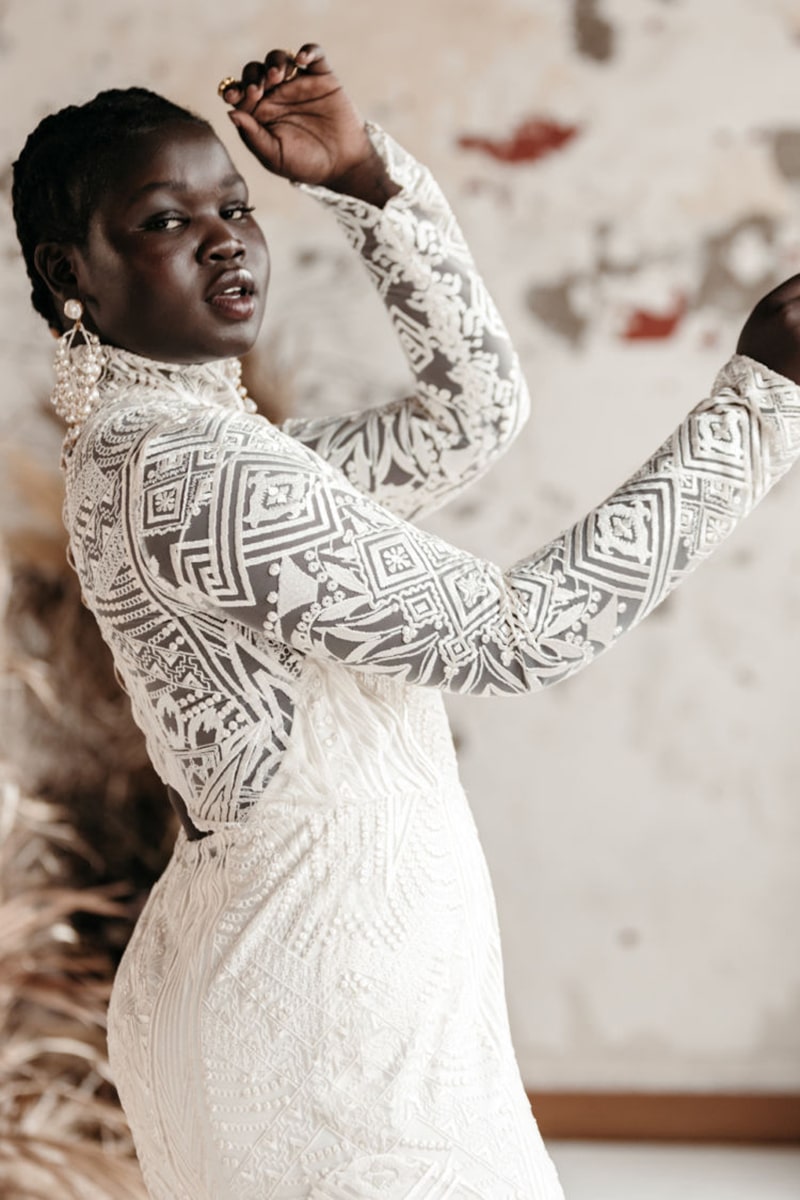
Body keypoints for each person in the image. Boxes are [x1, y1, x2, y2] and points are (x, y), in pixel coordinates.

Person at [10, 42, 800, 1200]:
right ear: (67, 269)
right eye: (166, 221)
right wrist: (758, 407)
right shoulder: (186, 473)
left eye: (235, 206)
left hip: (330, 983)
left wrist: (365, 183)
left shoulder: (199, 453)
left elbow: (470, 415)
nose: (224, 238)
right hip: (320, 1022)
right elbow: (517, 633)